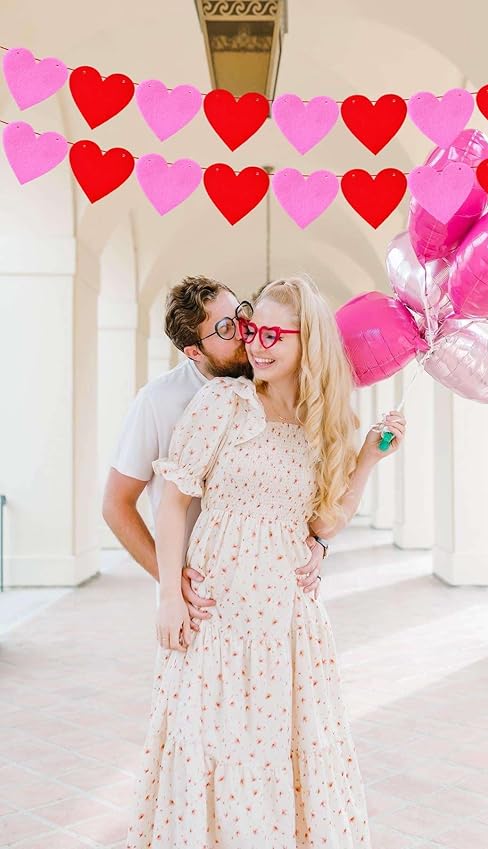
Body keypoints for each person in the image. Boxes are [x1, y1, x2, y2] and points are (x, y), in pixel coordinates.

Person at [124, 274, 406, 848]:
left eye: (276, 333)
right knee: (209, 742)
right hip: (217, 613)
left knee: (282, 748)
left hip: (286, 619)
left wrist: (368, 460)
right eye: (255, 331)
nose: (259, 344)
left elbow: (323, 523)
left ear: (310, 343)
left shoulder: (322, 424)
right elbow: (174, 500)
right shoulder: (223, 402)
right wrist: (169, 595)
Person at [103, 275, 324, 635]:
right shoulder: (158, 400)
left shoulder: (273, 381)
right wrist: (171, 583)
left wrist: (321, 545)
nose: (243, 332)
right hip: (201, 600)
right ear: (194, 351)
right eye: (225, 328)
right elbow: (116, 504)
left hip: (271, 595)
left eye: (241, 314)